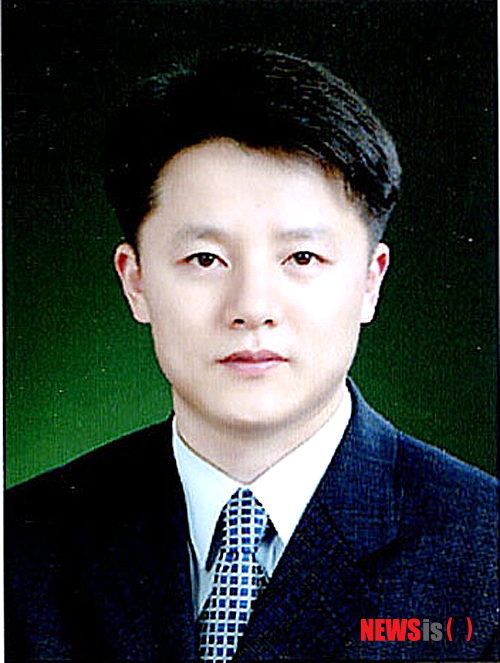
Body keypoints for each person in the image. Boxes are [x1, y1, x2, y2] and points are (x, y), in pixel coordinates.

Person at [5, 47, 498, 662]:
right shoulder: (20, 548)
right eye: (205, 259)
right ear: (136, 281)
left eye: (302, 258)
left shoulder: (485, 552)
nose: (252, 307)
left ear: (370, 281)